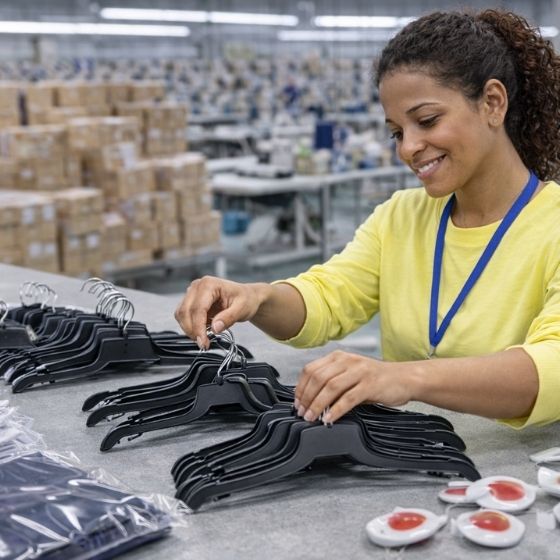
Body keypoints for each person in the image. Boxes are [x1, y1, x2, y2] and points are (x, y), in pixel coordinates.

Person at [175, 9, 560, 429]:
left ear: (492, 103)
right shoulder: (401, 217)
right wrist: (257, 298)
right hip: (407, 464)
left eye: (426, 120)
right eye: (396, 132)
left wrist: (404, 377)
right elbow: (327, 297)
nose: (408, 147)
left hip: (513, 482)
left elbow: (551, 365)